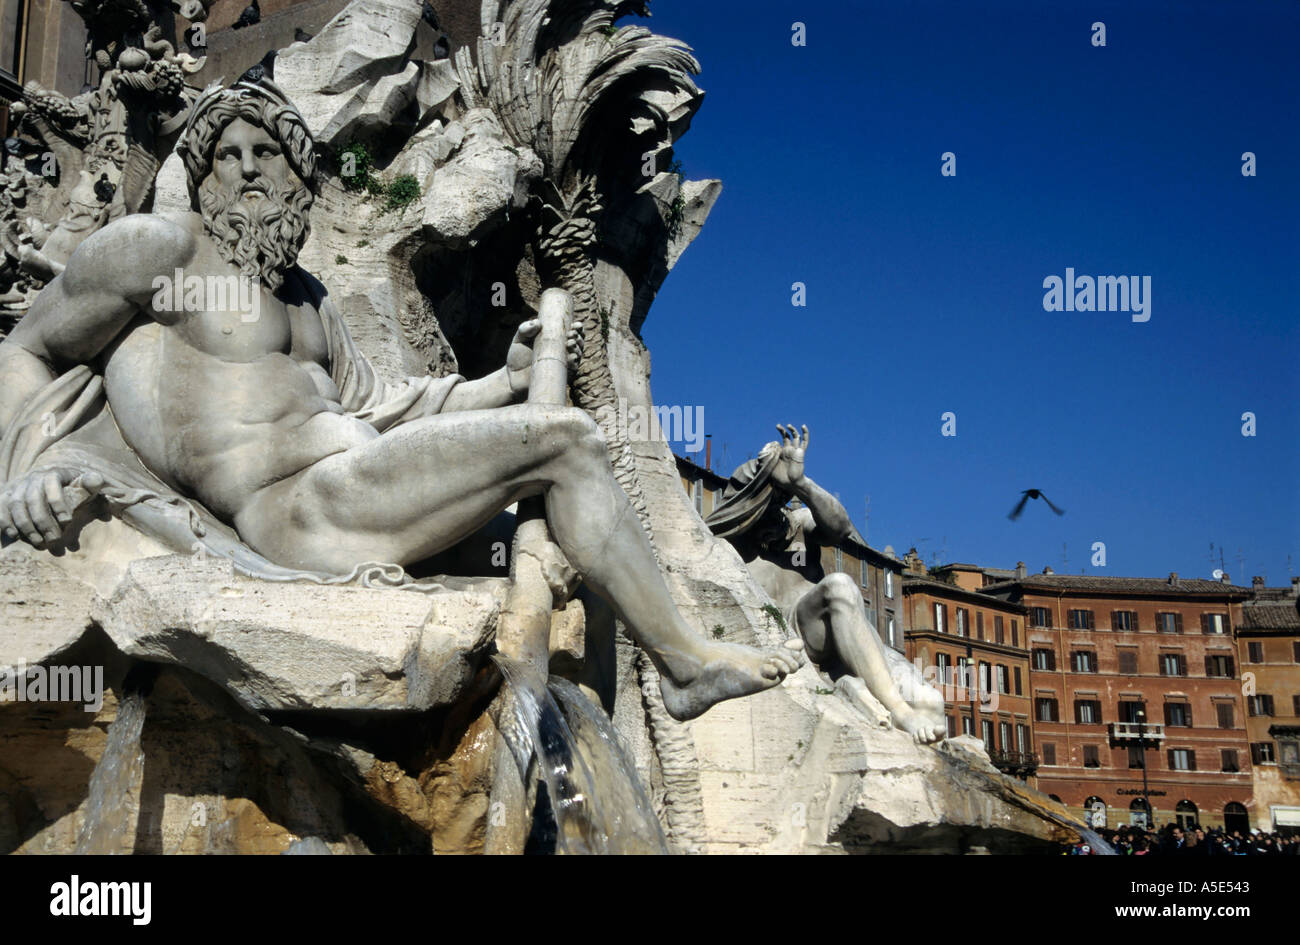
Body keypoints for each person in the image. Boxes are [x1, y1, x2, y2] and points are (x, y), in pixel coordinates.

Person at [0, 80, 800, 722]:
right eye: (227, 155)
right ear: (201, 176)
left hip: (356, 483)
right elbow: (26, 348)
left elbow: (385, 408)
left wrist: (500, 383)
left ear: (297, 175)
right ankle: (687, 666)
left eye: (268, 153)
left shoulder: (309, 300)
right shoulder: (159, 250)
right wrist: (23, 470)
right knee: (565, 443)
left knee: (575, 556)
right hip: (293, 512)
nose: (246, 168)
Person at [705, 425, 945, 743]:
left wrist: (801, 483)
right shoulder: (730, 548)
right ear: (752, 500)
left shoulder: (798, 525)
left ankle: (850, 684)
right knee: (840, 586)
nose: (780, 507)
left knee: (933, 702)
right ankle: (899, 712)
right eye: (773, 495)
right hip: (799, 632)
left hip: (846, 630)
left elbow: (841, 529)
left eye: (783, 498)